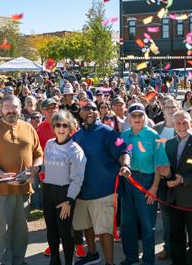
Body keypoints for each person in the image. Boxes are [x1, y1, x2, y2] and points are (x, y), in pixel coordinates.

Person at [0, 94, 44, 265]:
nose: (11, 110)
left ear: (20, 109)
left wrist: (35, 170)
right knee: (2, 231)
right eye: (7, 106)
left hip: (23, 190)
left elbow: (38, 154)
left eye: (14, 106)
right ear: (0, 109)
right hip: (1, 190)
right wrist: (1, 175)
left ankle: (19, 261)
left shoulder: (28, 128)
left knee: (21, 231)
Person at [71, 101, 131, 265]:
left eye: (93, 108)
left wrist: (125, 165)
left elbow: (124, 150)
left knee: (104, 229)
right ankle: (92, 254)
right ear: (81, 113)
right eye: (86, 108)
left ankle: (109, 262)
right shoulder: (77, 135)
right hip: (82, 191)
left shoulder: (108, 132)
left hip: (104, 190)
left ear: (99, 112)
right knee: (86, 225)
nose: (90, 111)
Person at [157, 111, 192, 265]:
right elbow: (169, 171)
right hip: (174, 199)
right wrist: (167, 175)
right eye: (178, 123)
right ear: (173, 125)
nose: (181, 126)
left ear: (191, 123)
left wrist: (182, 179)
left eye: (185, 122)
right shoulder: (170, 143)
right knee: (176, 237)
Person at [120, 103, 169, 265]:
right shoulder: (123, 136)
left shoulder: (154, 135)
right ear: (129, 117)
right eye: (133, 116)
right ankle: (131, 258)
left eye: (140, 115)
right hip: (127, 182)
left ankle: (148, 260)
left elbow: (159, 164)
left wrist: (154, 188)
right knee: (128, 224)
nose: (137, 119)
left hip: (147, 182)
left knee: (147, 225)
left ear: (145, 117)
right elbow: (116, 153)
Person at [42, 110, 86, 265]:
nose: (61, 128)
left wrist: (68, 201)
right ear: (54, 127)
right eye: (58, 125)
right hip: (48, 191)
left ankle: (68, 262)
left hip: (64, 194)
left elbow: (77, 179)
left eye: (65, 125)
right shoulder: (48, 144)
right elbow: (45, 168)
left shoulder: (75, 150)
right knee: (51, 230)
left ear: (71, 128)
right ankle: (55, 259)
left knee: (65, 232)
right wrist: (33, 171)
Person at [153, 98, 180, 261]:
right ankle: (168, 246)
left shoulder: (183, 126)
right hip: (161, 178)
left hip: (179, 177)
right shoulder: (157, 129)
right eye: (167, 106)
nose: (170, 109)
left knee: (182, 214)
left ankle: (182, 246)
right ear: (162, 109)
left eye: (174, 106)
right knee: (166, 216)